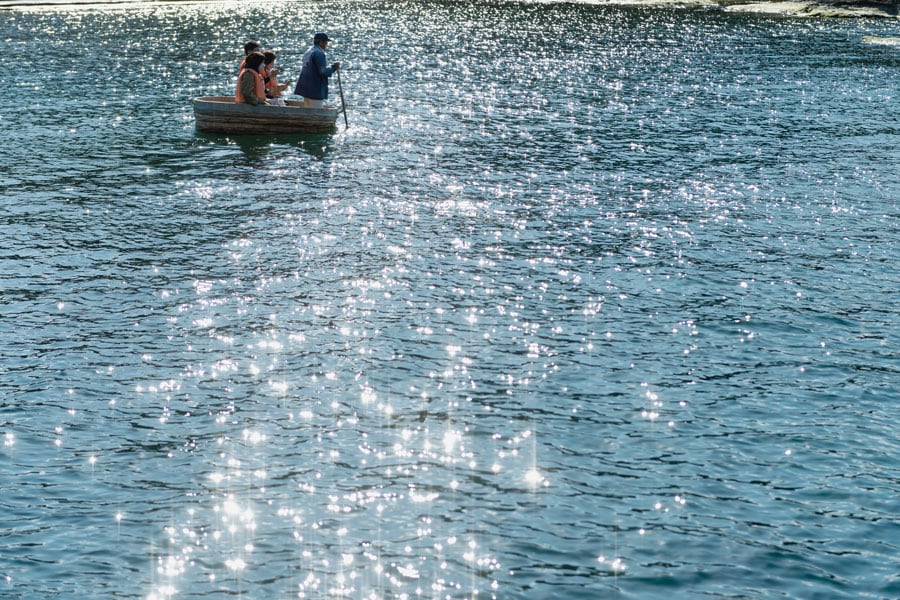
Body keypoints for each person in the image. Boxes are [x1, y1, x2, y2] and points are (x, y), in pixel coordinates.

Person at [293, 32, 340, 108]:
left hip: (306, 89)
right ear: (321, 42)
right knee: (316, 112)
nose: (326, 45)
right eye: (325, 42)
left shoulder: (308, 51)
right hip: (315, 90)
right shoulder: (319, 53)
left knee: (308, 113)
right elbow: (323, 71)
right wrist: (334, 67)